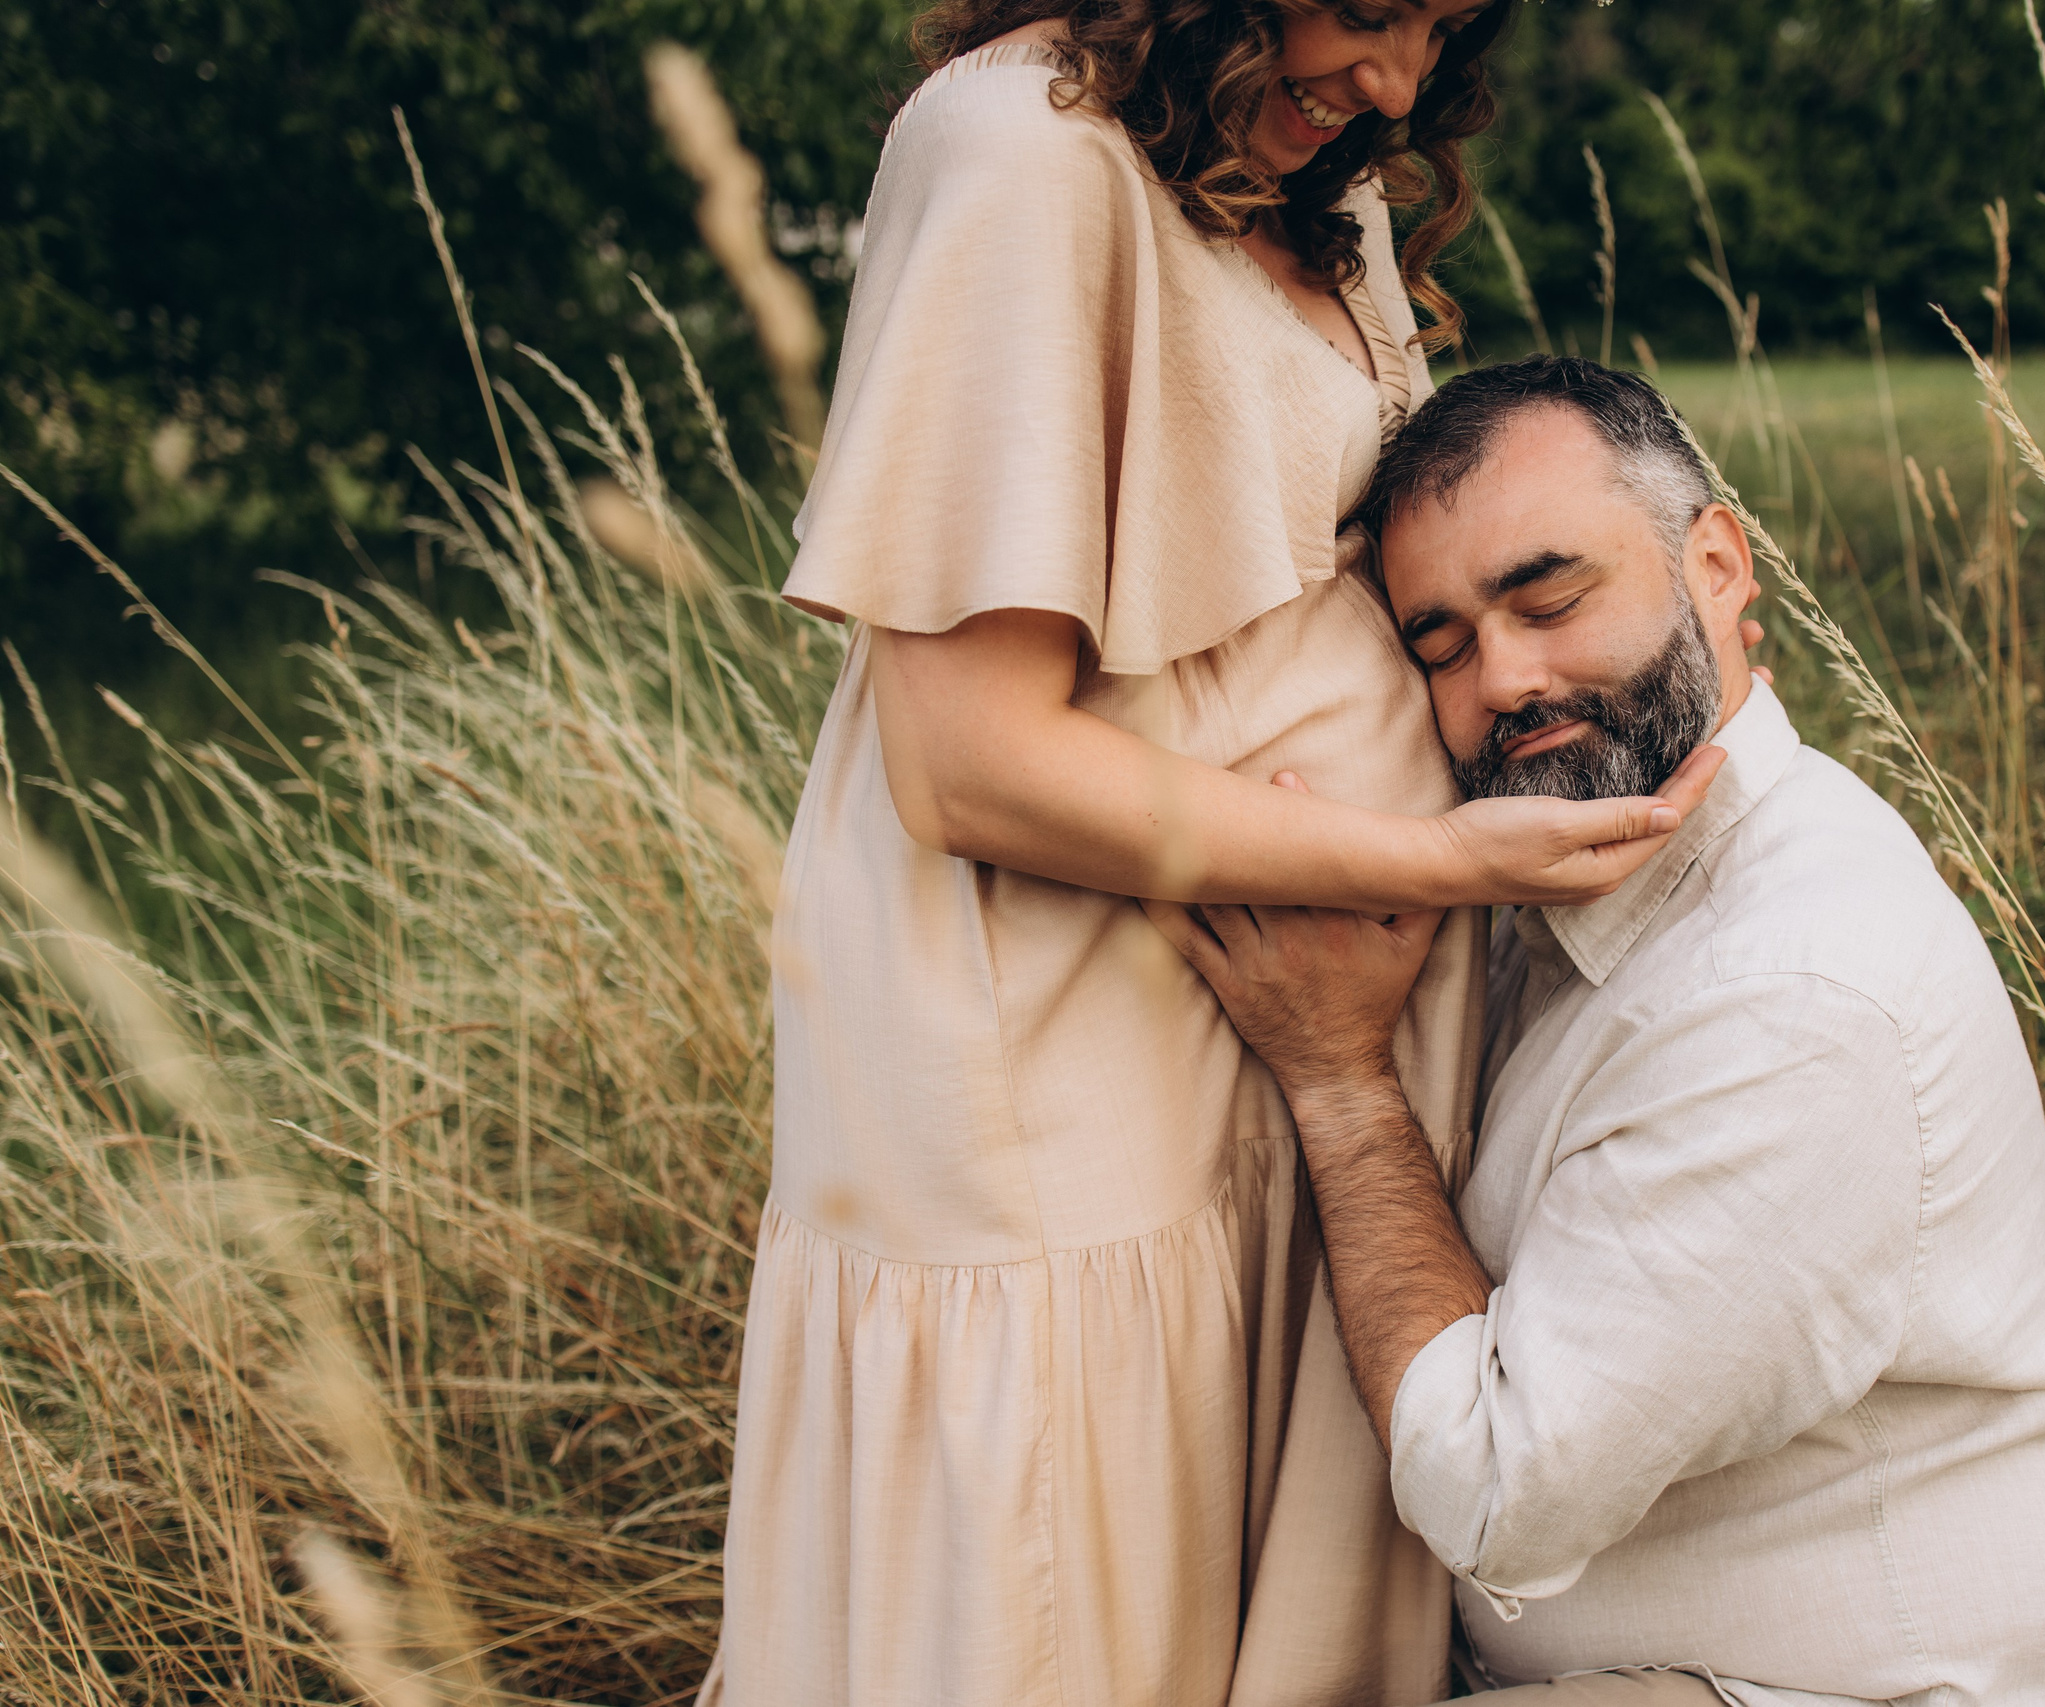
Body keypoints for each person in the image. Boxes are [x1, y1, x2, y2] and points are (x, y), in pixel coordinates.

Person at [700, 10, 1767, 1706]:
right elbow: (964, 761)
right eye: (1371, 9)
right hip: (1076, 1030)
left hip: (1271, 1018)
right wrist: (1431, 862)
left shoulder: (1320, 180)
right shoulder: (1022, 155)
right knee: (1076, 1608)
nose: (1399, 85)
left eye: (1442, 24)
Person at [1149, 358, 2045, 1704]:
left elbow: (1498, 1488)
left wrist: (1342, 1084)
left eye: (1550, 599)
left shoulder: (1795, 995)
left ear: (1719, 567)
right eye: (1441, 647)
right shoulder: (1564, 876)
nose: (1505, 680)